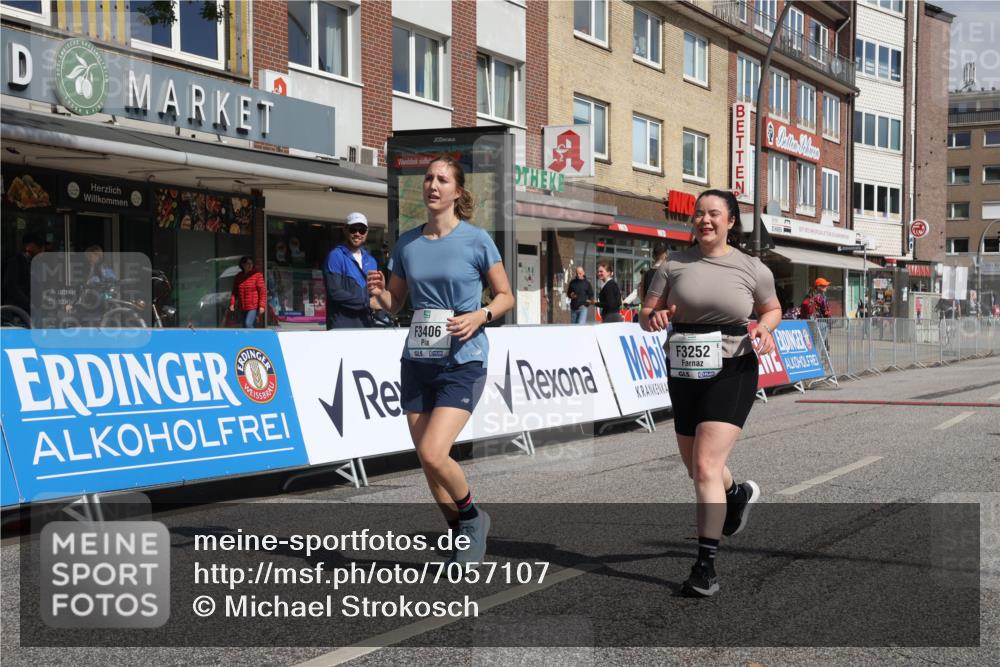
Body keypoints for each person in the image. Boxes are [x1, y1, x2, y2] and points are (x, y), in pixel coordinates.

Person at [366, 155, 514, 566]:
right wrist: (378, 296)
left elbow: (506, 296)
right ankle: (460, 536)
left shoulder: (476, 240)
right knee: (429, 466)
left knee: (434, 453)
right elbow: (395, 304)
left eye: (442, 179)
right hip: (417, 359)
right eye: (428, 178)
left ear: (458, 192)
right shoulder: (407, 243)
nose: (433, 185)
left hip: (463, 360)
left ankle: (471, 518)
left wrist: (480, 315)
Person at [639, 189, 781, 598]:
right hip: (683, 368)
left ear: (731, 221)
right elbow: (645, 315)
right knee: (698, 469)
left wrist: (765, 329)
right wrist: (656, 316)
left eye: (714, 214)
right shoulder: (672, 266)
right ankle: (736, 494)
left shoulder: (752, 268)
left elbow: (771, 308)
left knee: (704, 466)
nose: (705, 220)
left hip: (732, 367)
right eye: (699, 214)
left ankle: (705, 566)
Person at [323, 212, 379, 329]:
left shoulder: (371, 261)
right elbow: (335, 293)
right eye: (353, 229)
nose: (357, 234)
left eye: (362, 230)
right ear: (345, 230)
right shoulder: (335, 256)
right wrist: (367, 303)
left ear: (367, 232)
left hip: (366, 324)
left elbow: (374, 293)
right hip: (342, 326)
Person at [1, 232, 44, 323]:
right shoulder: (15, 261)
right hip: (16, 313)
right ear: (30, 246)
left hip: (24, 312)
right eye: (39, 248)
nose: (41, 251)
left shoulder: (29, 263)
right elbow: (10, 285)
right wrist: (28, 303)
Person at [228, 256, 266, 328]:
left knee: (248, 323)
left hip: (253, 306)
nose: (250, 265)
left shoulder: (257, 275)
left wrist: (262, 306)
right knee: (244, 326)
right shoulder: (239, 276)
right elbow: (234, 292)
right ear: (243, 265)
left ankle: (253, 339)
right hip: (242, 306)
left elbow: (262, 292)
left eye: (251, 263)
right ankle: (248, 339)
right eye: (248, 263)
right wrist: (232, 303)